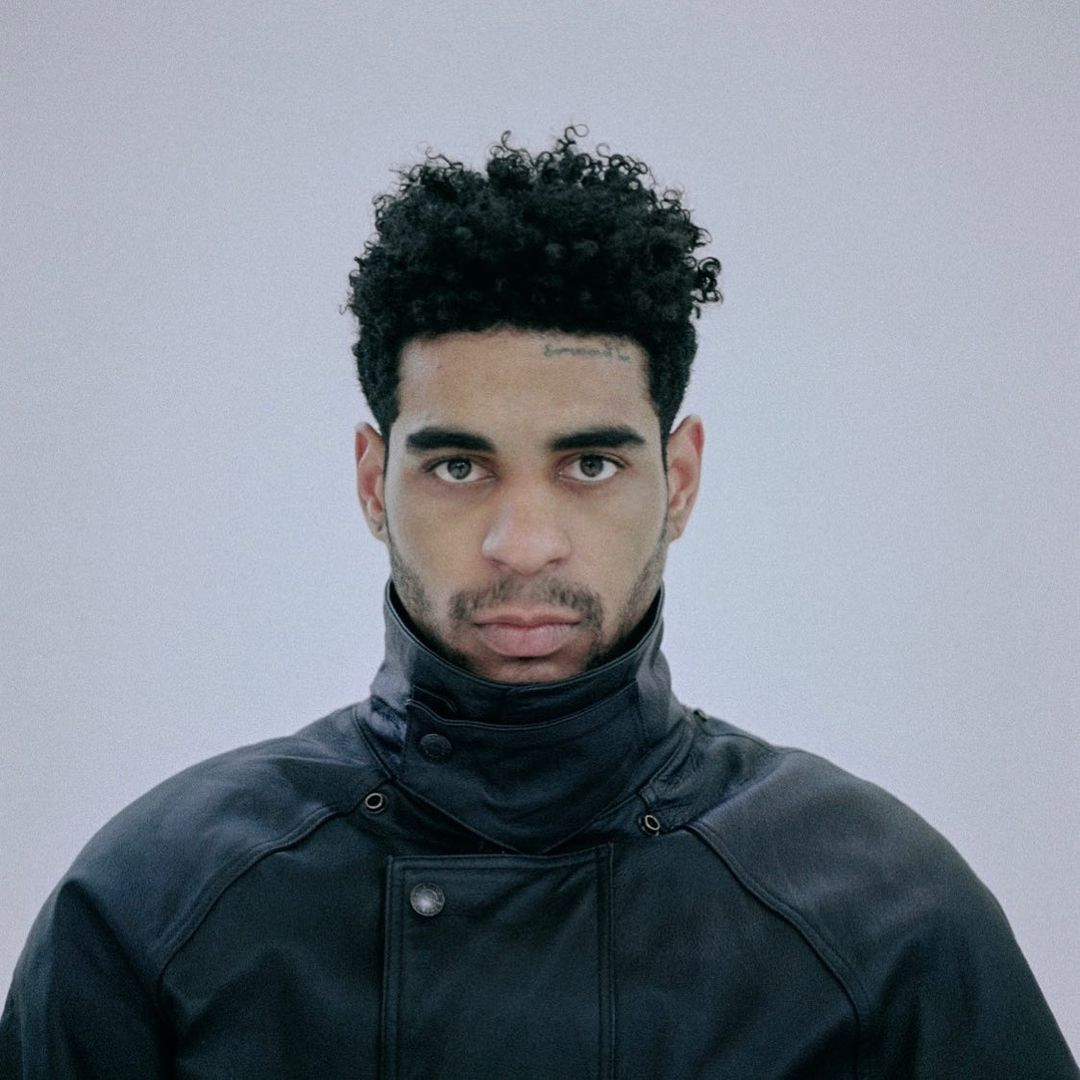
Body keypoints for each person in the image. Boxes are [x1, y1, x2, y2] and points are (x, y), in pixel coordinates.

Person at [1, 127, 1074, 1079]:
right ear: (374, 483)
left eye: (590, 465)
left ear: (679, 480)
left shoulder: (886, 916)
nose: (523, 544)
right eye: (459, 467)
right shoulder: (152, 904)